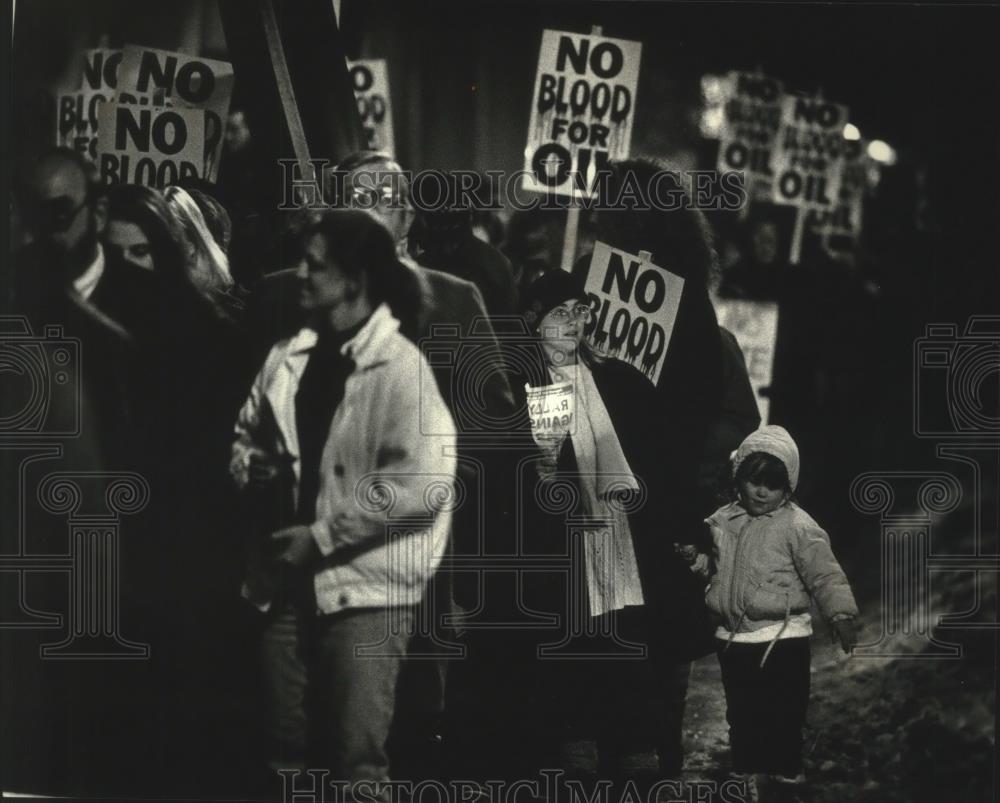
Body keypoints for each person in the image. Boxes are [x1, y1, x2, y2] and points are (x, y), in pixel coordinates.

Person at [230, 209, 457, 795]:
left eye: (316, 264)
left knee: (355, 763)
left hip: (368, 593)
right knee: (279, 752)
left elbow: (424, 483)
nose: (301, 273)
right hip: (282, 583)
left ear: (355, 279)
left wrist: (325, 535)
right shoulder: (287, 357)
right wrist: (247, 466)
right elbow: (245, 433)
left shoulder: (402, 370)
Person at [588, 158, 724, 778]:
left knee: (645, 633)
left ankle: (651, 763)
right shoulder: (583, 290)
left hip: (650, 494)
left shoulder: (685, 304)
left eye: (605, 204)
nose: (592, 214)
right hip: (613, 491)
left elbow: (695, 404)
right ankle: (637, 755)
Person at [511, 269, 666, 787]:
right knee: (571, 632)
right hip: (561, 532)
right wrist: (542, 464)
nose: (575, 321)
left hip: (617, 529)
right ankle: (575, 738)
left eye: (581, 309)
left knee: (623, 631)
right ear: (533, 321)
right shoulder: (520, 382)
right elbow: (511, 472)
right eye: (561, 312)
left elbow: (648, 449)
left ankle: (633, 740)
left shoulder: (616, 379)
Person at [692, 425, 859, 801]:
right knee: (742, 710)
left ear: (789, 488)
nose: (763, 492)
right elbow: (713, 566)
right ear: (740, 479)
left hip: (784, 637)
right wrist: (697, 560)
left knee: (784, 710)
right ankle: (747, 769)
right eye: (755, 481)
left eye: (773, 485)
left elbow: (825, 574)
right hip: (735, 638)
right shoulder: (722, 522)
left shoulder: (798, 526)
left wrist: (840, 615)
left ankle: (786, 774)